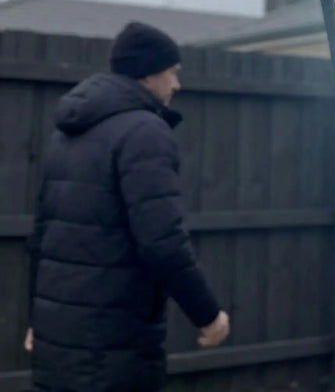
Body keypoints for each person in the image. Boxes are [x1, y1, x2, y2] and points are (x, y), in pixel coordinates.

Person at [25, 21, 230, 392]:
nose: (177, 85)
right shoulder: (144, 132)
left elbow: (43, 236)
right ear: (150, 73)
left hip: (58, 341)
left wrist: (36, 320)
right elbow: (163, 241)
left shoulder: (68, 132)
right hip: (113, 345)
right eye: (173, 73)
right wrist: (208, 315)